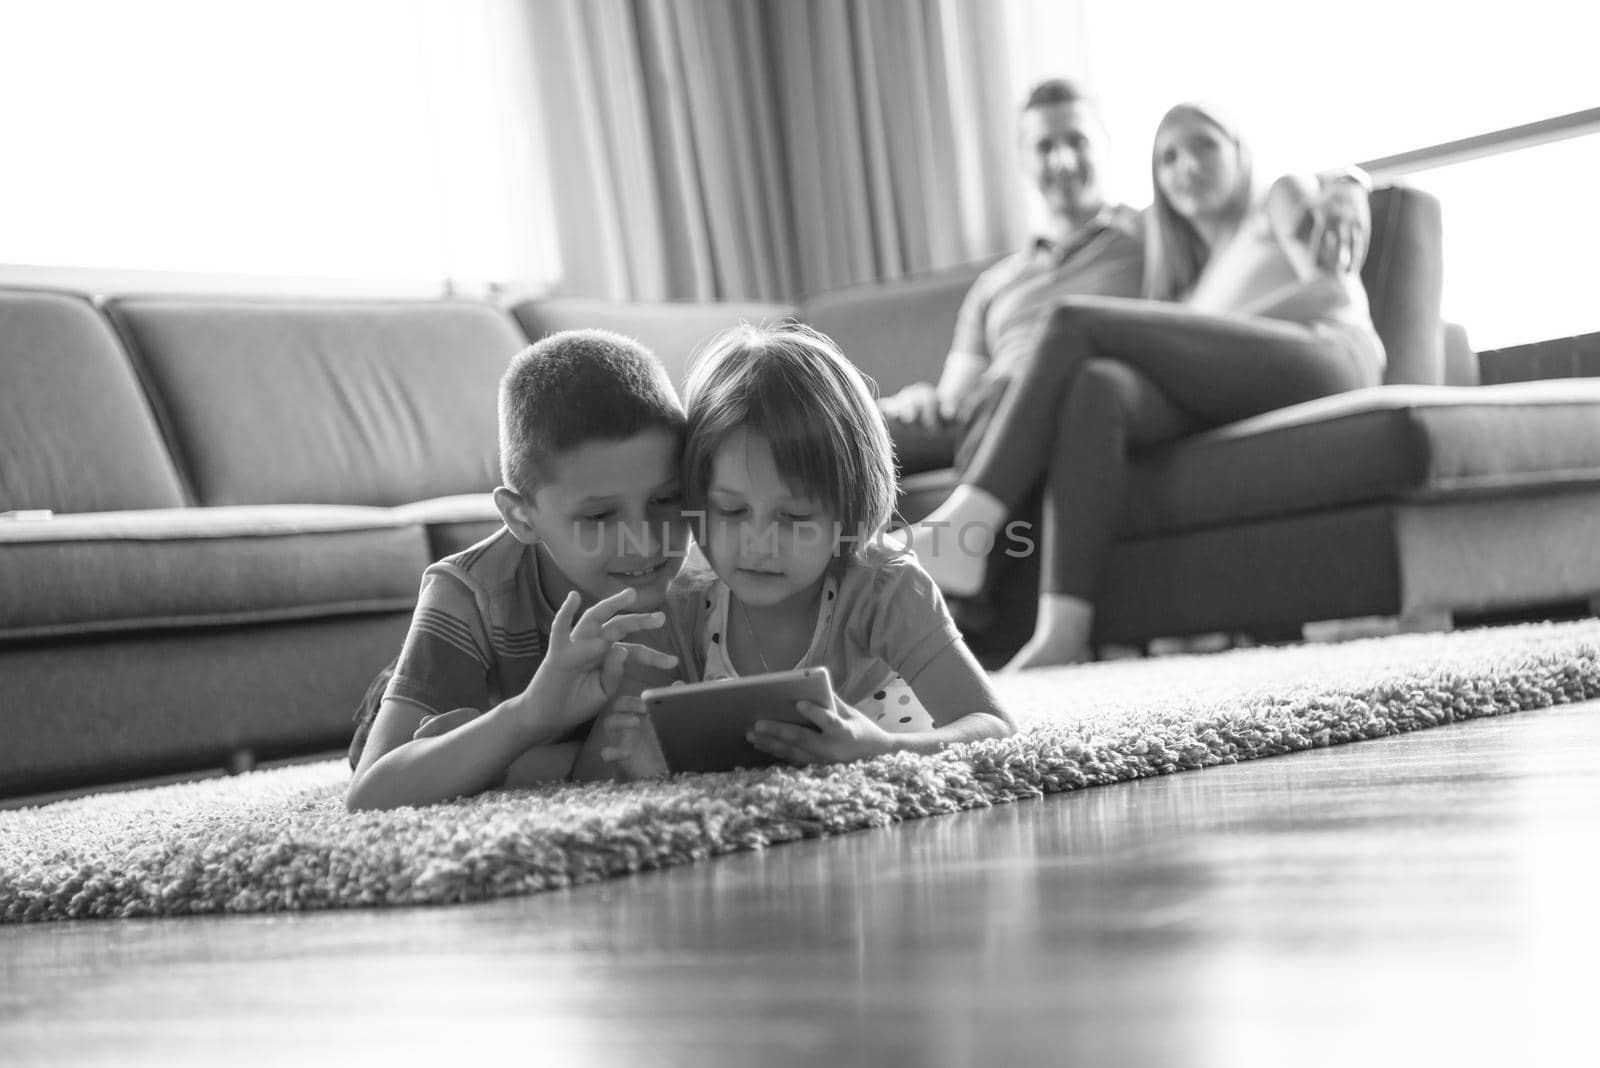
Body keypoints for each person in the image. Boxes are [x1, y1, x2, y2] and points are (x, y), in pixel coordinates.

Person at [906, 101, 1383, 669]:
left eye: (1204, 145)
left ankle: (968, 527)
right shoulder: (1188, 278)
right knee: (1096, 386)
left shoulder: (1277, 198)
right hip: (1246, 385)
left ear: (1240, 150)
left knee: (1070, 321)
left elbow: (1334, 291)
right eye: (1167, 158)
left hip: (1330, 354)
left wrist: (1349, 182)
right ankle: (1063, 632)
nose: (1186, 166)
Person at [606, 322, 1014, 774]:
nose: (759, 543)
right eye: (731, 511)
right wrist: (634, 755)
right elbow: (596, 771)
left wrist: (881, 748)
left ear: (849, 513)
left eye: (794, 518)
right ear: (695, 503)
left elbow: (993, 727)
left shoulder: (885, 588)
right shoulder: (682, 602)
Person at [345, 329, 690, 811]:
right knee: (442, 737)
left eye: (667, 499)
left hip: (565, 726)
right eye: (598, 516)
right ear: (520, 516)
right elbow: (369, 793)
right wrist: (530, 716)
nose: (647, 540)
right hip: (471, 706)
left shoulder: (708, 573)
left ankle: (537, 762)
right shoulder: (470, 593)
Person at [877, 77, 1143, 479]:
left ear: (1103, 143)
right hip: (986, 412)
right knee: (838, 435)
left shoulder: (1146, 238)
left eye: (1077, 141)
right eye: (1045, 147)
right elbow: (955, 401)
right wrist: (922, 400)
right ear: (1023, 159)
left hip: (1074, 402)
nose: (1063, 161)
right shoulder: (995, 283)